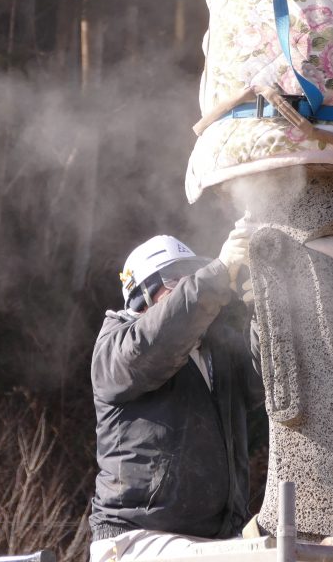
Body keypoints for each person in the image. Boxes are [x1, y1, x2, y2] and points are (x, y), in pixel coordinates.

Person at [88, 225, 263, 562]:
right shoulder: (117, 346)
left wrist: (263, 304)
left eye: (191, 275)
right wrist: (217, 273)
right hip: (135, 539)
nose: (187, 283)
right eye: (174, 279)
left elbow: (268, 380)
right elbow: (160, 336)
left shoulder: (217, 351)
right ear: (143, 293)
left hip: (212, 541)